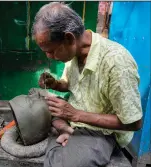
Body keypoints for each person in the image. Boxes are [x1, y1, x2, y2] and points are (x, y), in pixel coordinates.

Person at [32, 2, 143, 167]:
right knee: (34, 102)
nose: (49, 56)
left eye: (51, 51)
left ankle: (65, 134)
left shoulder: (116, 62)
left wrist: (75, 115)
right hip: (74, 118)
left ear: (69, 38)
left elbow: (134, 123)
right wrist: (55, 84)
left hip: (101, 131)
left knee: (60, 163)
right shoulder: (74, 52)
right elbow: (69, 85)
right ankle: (67, 131)